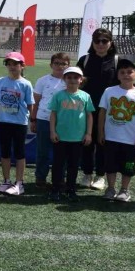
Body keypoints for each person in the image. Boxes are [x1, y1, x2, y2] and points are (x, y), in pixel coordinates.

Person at [98, 59, 135, 202]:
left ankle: (124, 190)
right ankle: (111, 188)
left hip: (131, 139)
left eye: (129, 72)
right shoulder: (109, 91)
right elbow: (102, 112)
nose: (126, 75)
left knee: (129, 166)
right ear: (118, 75)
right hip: (111, 137)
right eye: (122, 72)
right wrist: (101, 132)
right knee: (110, 165)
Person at [76, 28, 119, 190]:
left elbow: (126, 81)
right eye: (97, 41)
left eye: (104, 41)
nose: (100, 44)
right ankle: (87, 174)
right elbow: (73, 81)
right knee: (86, 142)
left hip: (109, 111)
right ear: (92, 43)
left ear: (111, 43)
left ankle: (100, 176)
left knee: (103, 143)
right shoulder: (84, 60)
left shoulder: (117, 61)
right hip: (86, 109)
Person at [48, 67, 95, 202]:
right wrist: (52, 131)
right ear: (64, 79)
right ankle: (55, 189)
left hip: (77, 138)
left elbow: (89, 116)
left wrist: (88, 134)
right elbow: (53, 114)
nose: (72, 80)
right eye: (69, 77)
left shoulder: (85, 96)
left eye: (76, 77)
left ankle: (71, 189)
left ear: (81, 80)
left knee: (73, 165)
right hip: (61, 137)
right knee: (58, 165)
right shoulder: (58, 95)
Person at [0, 51, 34, 196]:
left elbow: (30, 104)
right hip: (4, 121)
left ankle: (19, 183)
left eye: (15, 64)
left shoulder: (26, 84)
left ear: (22, 66)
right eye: (9, 64)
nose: (12, 67)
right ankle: (6, 181)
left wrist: (32, 120)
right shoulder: (0, 81)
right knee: (5, 152)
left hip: (19, 123)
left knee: (19, 152)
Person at [30, 53, 69, 188]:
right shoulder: (42, 80)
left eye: (63, 64)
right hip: (44, 119)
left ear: (68, 66)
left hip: (63, 121)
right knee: (43, 151)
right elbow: (36, 101)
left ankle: (60, 178)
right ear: (51, 65)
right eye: (57, 63)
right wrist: (33, 119)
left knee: (62, 152)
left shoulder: (70, 81)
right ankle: (40, 177)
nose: (60, 66)